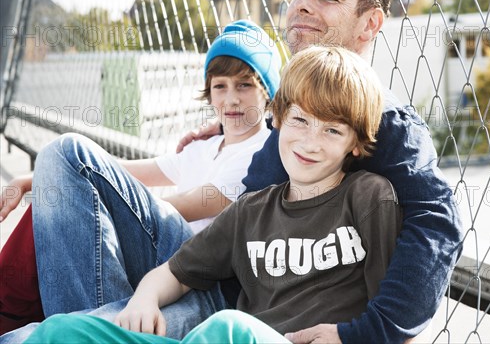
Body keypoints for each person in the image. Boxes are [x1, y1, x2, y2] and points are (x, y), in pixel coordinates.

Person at [176, 0, 463, 343]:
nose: (302, 6)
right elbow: (254, 198)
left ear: (369, 24)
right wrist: (233, 125)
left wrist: (368, 334)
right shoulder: (288, 115)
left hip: (250, 318)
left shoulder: (385, 121)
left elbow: (437, 225)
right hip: (226, 283)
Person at [25, 45, 403, 344]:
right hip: (222, 334)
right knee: (59, 332)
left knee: (229, 329)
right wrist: (144, 299)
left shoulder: (368, 197)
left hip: (256, 337)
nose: (310, 142)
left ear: (355, 143)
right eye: (300, 120)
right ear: (279, 118)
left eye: (332, 131)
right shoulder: (251, 210)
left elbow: (395, 314)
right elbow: (173, 272)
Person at [0, 20, 281, 336]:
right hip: (161, 270)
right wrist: (32, 178)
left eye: (244, 85)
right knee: (62, 153)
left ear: (267, 92)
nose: (231, 99)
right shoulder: (203, 147)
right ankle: (87, 327)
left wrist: (100, 200)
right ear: (209, 92)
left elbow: (181, 205)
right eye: (220, 86)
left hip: (200, 272)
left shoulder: (264, 151)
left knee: (71, 150)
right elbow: (118, 170)